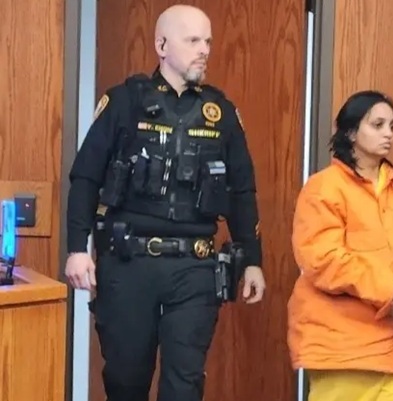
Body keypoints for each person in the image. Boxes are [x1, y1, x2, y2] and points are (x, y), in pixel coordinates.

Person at [63, 5, 266, 401]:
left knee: (184, 384)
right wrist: (77, 248)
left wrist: (253, 260)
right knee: (125, 379)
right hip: (128, 263)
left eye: (208, 41)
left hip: (194, 265)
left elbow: (242, 192)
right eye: (193, 40)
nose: (204, 49)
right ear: (161, 45)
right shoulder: (123, 102)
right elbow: (85, 177)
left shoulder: (221, 113)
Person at [287, 90, 393, 401]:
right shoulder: (323, 188)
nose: (388, 134)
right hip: (343, 350)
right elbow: (324, 259)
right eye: (377, 125)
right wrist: (391, 297)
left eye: (392, 126)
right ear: (351, 132)